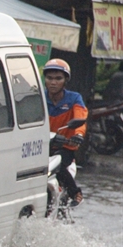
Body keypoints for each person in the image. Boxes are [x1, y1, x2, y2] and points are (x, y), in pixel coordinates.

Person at [43, 58, 88, 207]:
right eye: (49, 78)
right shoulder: (39, 97)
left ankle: (75, 192)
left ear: (65, 81)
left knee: (59, 165)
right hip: (42, 146)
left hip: (65, 148)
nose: (53, 82)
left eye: (58, 78)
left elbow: (81, 116)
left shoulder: (74, 98)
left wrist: (78, 135)